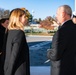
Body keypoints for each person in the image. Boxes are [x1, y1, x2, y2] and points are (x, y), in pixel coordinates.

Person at [47, 5, 76, 75]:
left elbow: (55, 55)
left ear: (63, 14)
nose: (56, 16)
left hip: (62, 70)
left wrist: (48, 52)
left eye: (57, 14)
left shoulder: (61, 32)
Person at [4, 8, 30, 75]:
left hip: (8, 68)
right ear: (19, 18)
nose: (26, 19)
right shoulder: (19, 33)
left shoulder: (9, 32)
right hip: (18, 70)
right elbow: (14, 56)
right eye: (24, 17)